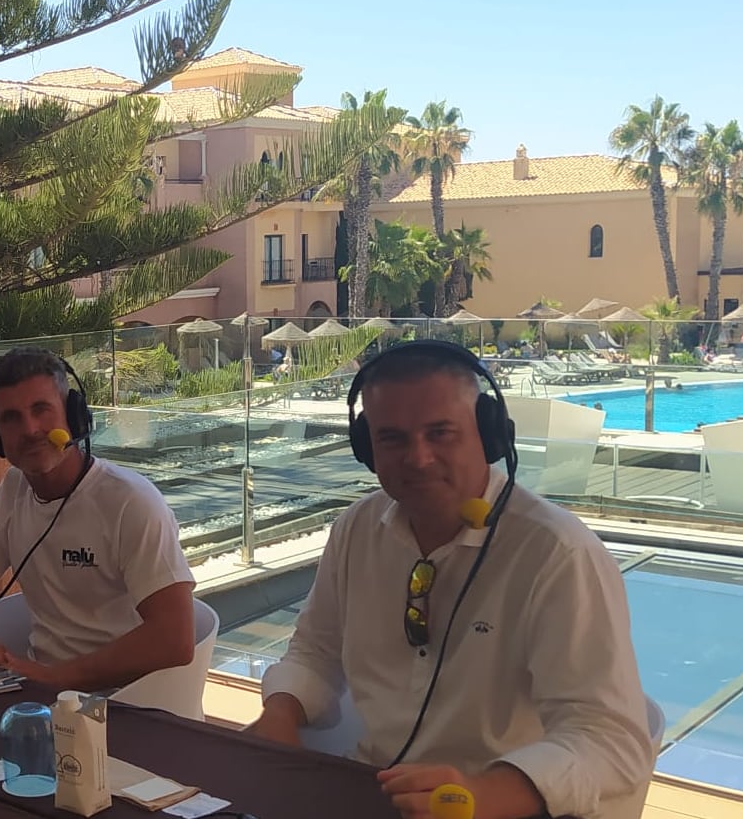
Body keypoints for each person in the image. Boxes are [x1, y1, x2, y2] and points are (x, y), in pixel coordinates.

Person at [249, 341, 653, 819]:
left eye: (441, 433)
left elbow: (609, 740)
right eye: (392, 439)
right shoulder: (355, 530)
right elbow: (315, 652)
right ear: (366, 448)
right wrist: (279, 716)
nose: (418, 458)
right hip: (374, 794)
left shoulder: (556, 553)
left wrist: (484, 794)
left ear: (488, 435)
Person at [0, 347, 195, 693]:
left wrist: (55, 677)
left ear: (73, 415)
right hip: (43, 694)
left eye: (41, 409)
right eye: (11, 418)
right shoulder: (14, 489)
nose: (30, 429)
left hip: (127, 698)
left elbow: (174, 638)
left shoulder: (130, 501)